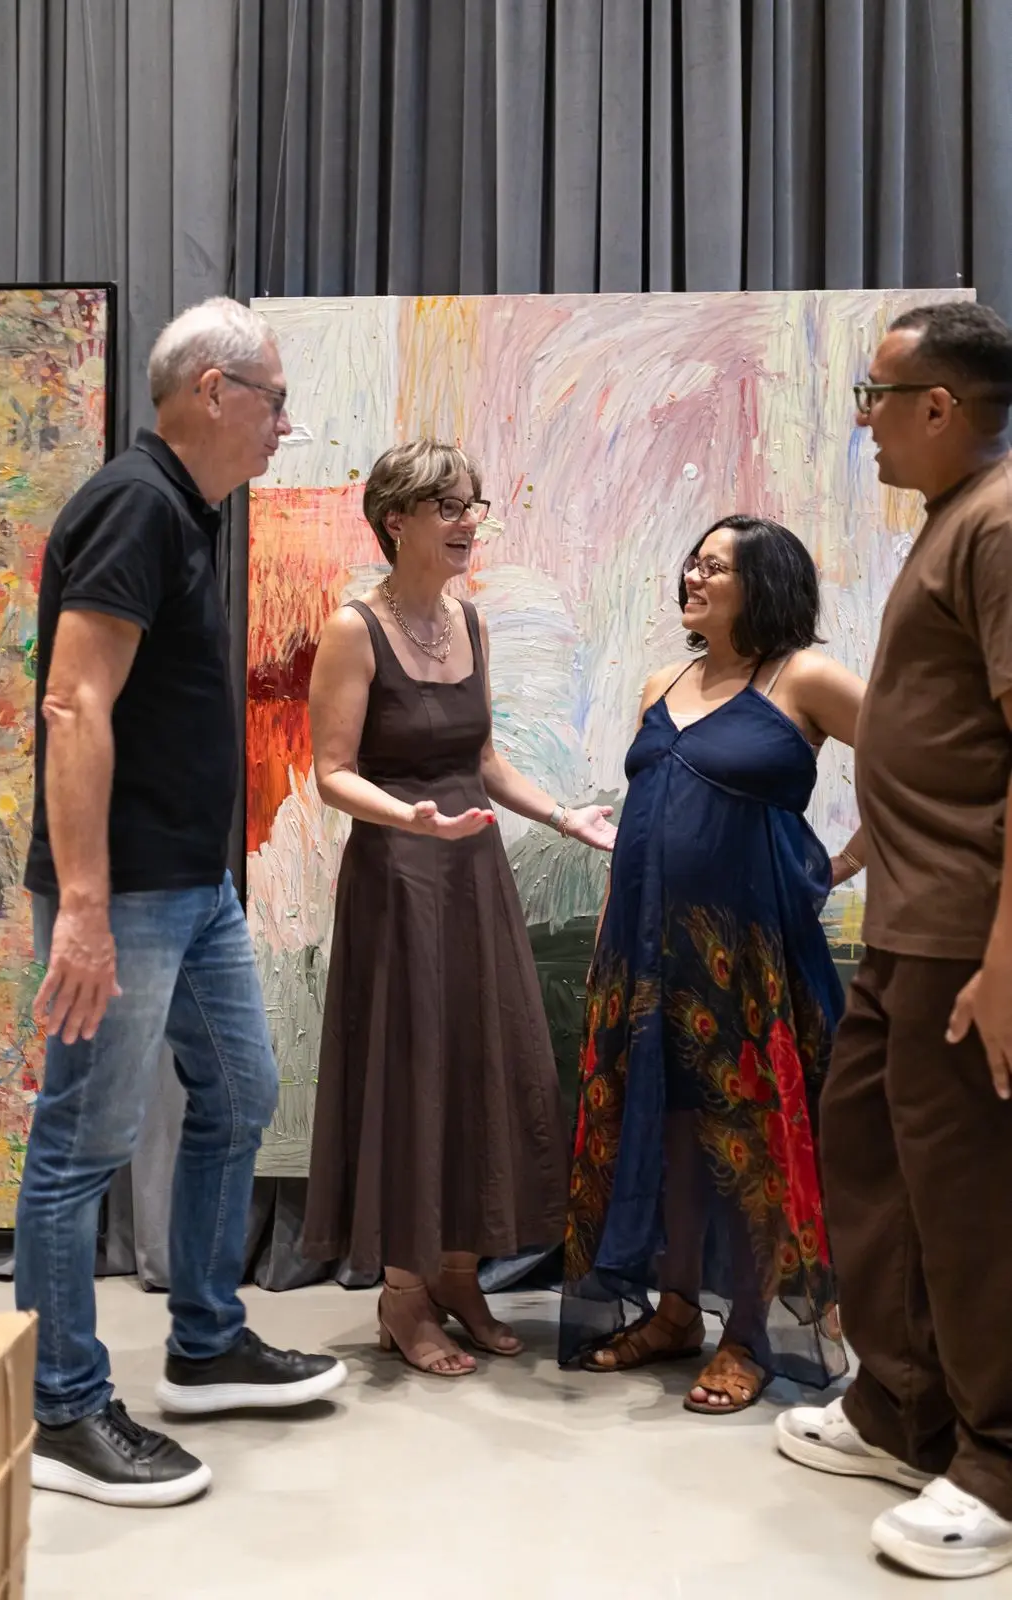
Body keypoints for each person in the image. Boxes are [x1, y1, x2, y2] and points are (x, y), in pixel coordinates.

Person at [16, 297, 346, 1508]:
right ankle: (59, 1408)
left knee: (241, 1091)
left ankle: (206, 1340)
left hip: (191, 888)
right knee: (80, 1144)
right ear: (214, 390)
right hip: (128, 893)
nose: (281, 425)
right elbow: (73, 704)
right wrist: (84, 909)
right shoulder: (137, 504)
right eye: (272, 402)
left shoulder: (188, 512)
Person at [775, 303, 1012, 1579]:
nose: (862, 419)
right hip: (909, 917)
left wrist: (1004, 960)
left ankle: (997, 1459)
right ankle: (899, 1408)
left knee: (967, 1199)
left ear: (939, 405)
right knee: (867, 1145)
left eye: (877, 395)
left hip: (966, 931)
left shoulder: (1000, 524)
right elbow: (940, 732)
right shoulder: (951, 518)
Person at [301, 439, 616, 1376]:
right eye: (448, 506)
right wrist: (407, 818)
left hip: (472, 872)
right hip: (399, 879)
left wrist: (563, 817)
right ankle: (401, 1296)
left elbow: (483, 761)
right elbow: (331, 772)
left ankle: (456, 1275)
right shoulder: (354, 628)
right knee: (411, 1072)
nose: (469, 522)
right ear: (395, 520)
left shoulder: (471, 624)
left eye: (472, 505)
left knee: (478, 1066)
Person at [560, 516, 866, 1413]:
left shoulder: (804, 678)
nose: (693, 577)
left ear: (763, 584)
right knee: (674, 1134)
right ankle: (674, 1314)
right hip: (648, 952)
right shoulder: (663, 681)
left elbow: (915, 764)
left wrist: (840, 865)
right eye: (693, 562)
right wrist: (613, 930)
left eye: (716, 567)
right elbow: (649, 813)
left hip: (750, 959)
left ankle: (748, 1336)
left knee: (750, 1140)